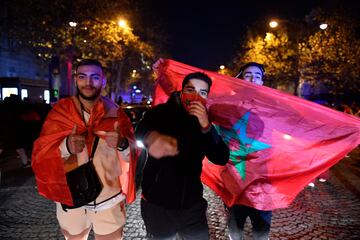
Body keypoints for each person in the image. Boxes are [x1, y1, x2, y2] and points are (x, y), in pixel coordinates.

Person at [32, 59, 137, 240]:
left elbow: (133, 155)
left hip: (108, 200)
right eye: (82, 76)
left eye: (94, 77)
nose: (88, 82)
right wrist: (66, 146)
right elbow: (41, 152)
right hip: (72, 198)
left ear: (103, 81)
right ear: (75, 79)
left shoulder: (116, 113)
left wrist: (122, 144)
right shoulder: (60, 112)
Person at [136, 72, 230, 239]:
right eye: (190, 89)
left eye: (202, 93)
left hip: (192, 206)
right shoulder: (161, 112)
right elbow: (140, 131)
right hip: (157, 206)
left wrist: (206, 126)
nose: (195, 97)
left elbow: (221, 157)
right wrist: (152, 138)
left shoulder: (205, 122)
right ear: (181, 91)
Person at [229, 62, 272, 240]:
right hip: (234, 178)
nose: (253, 78)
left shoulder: (273, 106)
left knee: (261, 230)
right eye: (248, 74)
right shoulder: (229, 104)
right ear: (240, 78)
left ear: (262, 82)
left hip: (262, 180)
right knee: (234, 227)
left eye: (257, 76)